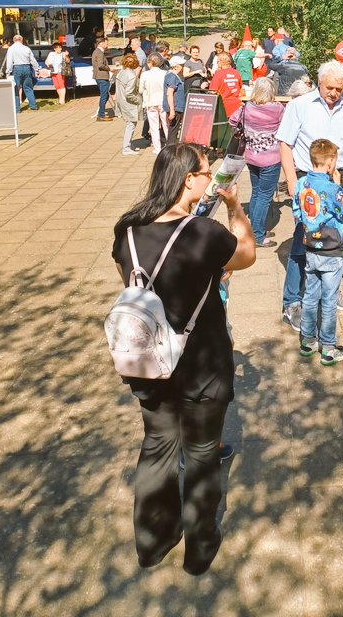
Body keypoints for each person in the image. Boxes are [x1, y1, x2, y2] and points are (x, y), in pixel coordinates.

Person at [111, 142, 256, 573]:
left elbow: (133, 281)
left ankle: (152, 543)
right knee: (200, 452)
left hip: (148, 360)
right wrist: (235, 208)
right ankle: (199, 548)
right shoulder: (202, 233)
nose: (211, 176)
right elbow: (246, 254)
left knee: (157, 446)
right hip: (202, 364)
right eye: (205, 170)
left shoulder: (128, 230)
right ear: (187, 180)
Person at [276, 60, 343, 331]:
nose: (335, 93)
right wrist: (292, 182)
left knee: (336, 241)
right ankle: (292, 302)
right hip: (309, 183)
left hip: (339, 183)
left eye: (340, 88)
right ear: (319, 81)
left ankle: (331, 291)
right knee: (304, 242)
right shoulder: (299, 106)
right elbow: (285, 144)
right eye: (330, 87)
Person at [294, 138, 343, 365]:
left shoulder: (301, 184)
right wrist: (338, 186)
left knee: (310, 297)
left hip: (311, 247)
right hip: (333, 251)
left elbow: (297, 211)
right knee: (329, 301)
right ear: (330, 163)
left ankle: (308, 340)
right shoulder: (332, 188)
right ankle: (328, 347)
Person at [228, 76, 286, 247]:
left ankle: (255, 227)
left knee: (256, 192)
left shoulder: (246, 107)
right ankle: (258, 235)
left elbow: (232, 120)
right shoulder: (278, 109)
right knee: (265, 196)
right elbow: (285, 128)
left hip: (251, 156)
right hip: (271, 158)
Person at [140, 53, 169, 155]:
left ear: (149, 63)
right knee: (166, 125)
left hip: (150, 102)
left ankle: (157, 148)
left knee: (154, 126)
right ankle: (169, 145)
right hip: (163, 102)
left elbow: (140, 89)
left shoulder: (145, 74)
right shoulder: (165, 73)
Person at [115, 53, 142, 156]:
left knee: (129, 124)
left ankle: (128, 145)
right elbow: (129, 93)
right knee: (131, 125)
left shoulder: (121, 72)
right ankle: (126, 148)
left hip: (121, 101)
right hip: (129, 104)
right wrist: (138, 101)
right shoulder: (131, 76)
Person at [5, 34, 40, 112]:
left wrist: (8, 71)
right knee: (28, 88)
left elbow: (9, 61)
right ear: (21, 40)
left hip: (17, 68)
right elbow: (32, 60)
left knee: (16, 88)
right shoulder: (26, 48)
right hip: (27, 67)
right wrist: (37, 69)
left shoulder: (11, 48)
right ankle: (33, 106)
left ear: (14, 40)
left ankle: (17, 109)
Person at [209, 53, 243, 121]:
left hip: (223, 108)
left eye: (217, 61)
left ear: (221, 62)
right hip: (236, 107)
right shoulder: (236, 72)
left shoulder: (218, 74)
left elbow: (212, 92)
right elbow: (240, 87)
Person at [164, 55, 187, 145]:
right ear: (176, 66)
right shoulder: (172, 76)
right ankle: (170, 150)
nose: (183, 66)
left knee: (173, 130)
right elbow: (169, 93)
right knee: (173, 131)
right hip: (175, 107)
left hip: (177, 107)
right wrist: (172, 110)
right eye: (182, 65)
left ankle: (171, 148)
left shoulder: (173, 75)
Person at [92, 36, 113, 121]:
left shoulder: (96, 52)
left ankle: (101, 112)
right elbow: (100, 65)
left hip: (99, 76)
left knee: (105, 95)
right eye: (106, 43)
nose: (107, 44)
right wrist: (109, 68)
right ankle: (101, 115)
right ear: (102, 43)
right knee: (104, 95)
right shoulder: (99, 53)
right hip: (102, 76)